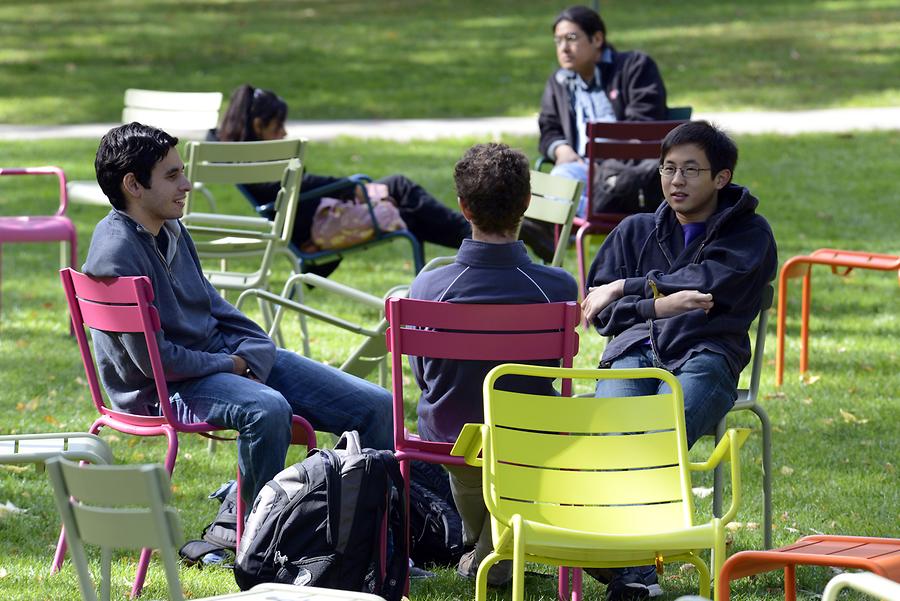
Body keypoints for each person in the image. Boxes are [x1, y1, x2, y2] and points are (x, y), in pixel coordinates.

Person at [84, 122, 393, 507]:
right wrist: (230, 364)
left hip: (214, 363)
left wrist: (255, 346)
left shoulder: (170, 228)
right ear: (133, 185)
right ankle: (256, 542)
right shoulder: (115, 257)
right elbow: (155, 363)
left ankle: (378, 542)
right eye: (172, 175)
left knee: (377, 404)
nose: (186, 185)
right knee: (267, 409)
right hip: (165, 389)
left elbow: (210, 302)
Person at [582, 121, 777, 600]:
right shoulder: (634, 230)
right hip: (635, 349)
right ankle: (633, 570)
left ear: (721, 177)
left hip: (708, 356)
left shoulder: (750, 234)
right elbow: (599, 313)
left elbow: (709, 282)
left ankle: (626, 564)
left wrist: (627, 287)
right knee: (615, 432)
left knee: (656, 440)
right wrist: (653, 306)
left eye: (691, 170)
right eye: (668, 168)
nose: (676, 181)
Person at [408, 143, 578, 586]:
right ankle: (492, 557)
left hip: (449, 436)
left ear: (463, 207)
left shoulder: (429, 285)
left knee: (467, 449)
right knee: (517, 442)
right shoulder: (558, 286)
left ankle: (483, 555)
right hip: (528, 440)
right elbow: (556, 372)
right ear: (526, 203)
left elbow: (424, 376)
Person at [212, 84, 472, 274]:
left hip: (321, 217)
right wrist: (350, 189)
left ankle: (477, 237)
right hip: (318, 227)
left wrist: (349, 190)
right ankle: (481, 236)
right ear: (258, 124)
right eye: (277, 127)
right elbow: (299, 189)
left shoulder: (235, 155)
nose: (283, 133)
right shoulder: (257, 166)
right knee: (400, 189)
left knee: (408, 211)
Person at [536, 5, 668, 216]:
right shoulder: (558, 82)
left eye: (571, 38)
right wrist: (562, 150)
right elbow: (548, 127)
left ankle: (567, 220)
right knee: (554, 179)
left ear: (597, 39)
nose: (563, 48)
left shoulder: (635, 67)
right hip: (580, 168)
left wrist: (607, 166)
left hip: (626, 172)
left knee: (559, 193)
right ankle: (575, 217)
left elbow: (643, 126)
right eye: (558, 41)